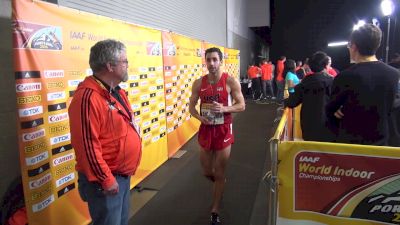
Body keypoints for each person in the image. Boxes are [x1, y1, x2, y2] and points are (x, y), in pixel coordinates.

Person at [69, 39, 142, 225]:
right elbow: (87, 148)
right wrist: (106, 180)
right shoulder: (87, 98)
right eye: (124, 61)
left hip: (122, 176)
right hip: (106, 182)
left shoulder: (117, 91)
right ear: (110, 66)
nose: (127, 65)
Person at [189, 47, 245, 225]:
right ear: (205, 62)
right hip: (206, 129)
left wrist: (225, 108)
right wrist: (199, 117)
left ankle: (215, 210)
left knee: (219, 172)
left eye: (215, 59)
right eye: (208, 60)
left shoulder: (230, 81)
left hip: (223, 130)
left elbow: (242, 105)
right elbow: (191, 107)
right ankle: (219, 183)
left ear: (221, 61)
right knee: (207, 171)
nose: (211, 63)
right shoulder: (199, 83)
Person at [326, 24, 400, 146]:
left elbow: (330, 111)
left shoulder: (345, 76)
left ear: (354, 46)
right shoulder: (394, 74)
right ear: (378, 44)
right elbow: (393, 105)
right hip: (382, 144)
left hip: (350, 144)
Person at [284, 51, 334, 141]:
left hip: (308, 127)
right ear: (326, 65)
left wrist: (285, 100)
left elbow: (291, 102)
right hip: (329, 127)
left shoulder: (304, 83)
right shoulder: (333, 82)